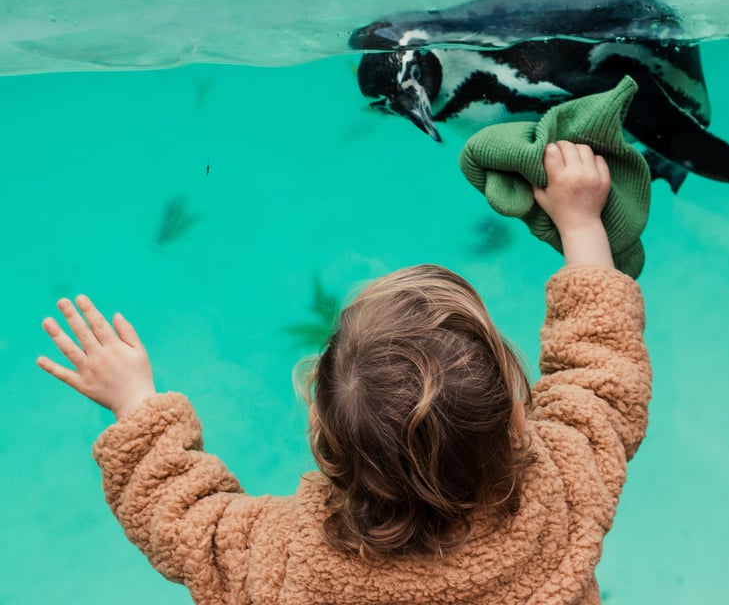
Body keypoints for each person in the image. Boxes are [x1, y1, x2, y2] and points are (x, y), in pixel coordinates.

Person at [37, 141, 651, 605]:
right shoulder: (565, 489)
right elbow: (601, 365)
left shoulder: (290, 563)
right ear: (515, 416)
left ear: (325, 443)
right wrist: (581, 224)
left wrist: (136, 405)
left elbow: (184, 521)